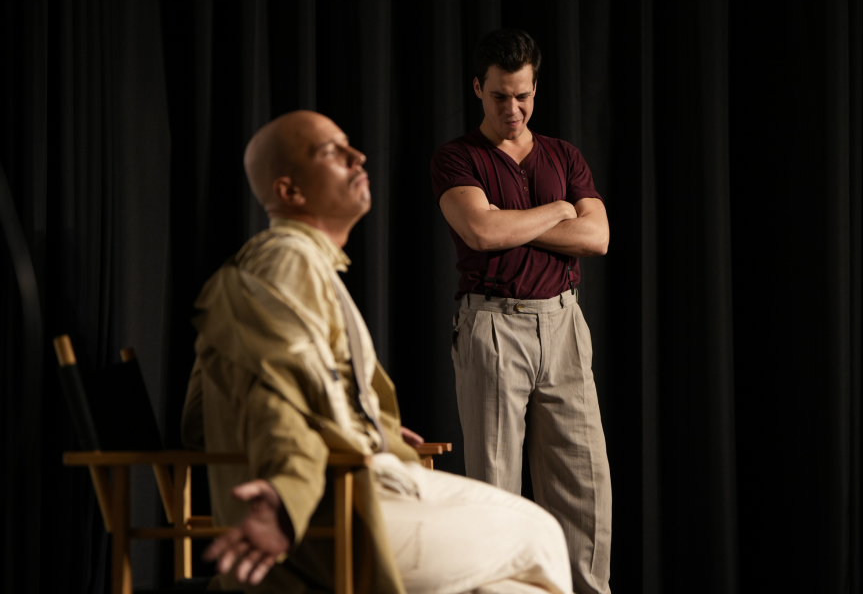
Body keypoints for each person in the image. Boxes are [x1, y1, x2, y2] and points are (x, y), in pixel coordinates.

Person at [182, 109, 575, 594]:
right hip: (331, 506)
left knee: (515, 589)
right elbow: (275, 394)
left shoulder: (297, 265)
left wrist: (366, 425)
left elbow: (202, 415)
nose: (358, 157)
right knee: (541, 534)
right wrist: (286, 497)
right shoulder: (286, 260)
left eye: (349, 144)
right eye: (332, 152)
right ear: (289, 192)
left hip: (362, 475)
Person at [430, 29, 612, 594]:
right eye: (500, 96)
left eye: (523, 96)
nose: (512, 109)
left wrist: (514, 222)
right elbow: (481, 232)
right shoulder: (457, 157)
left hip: (563, 323)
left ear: (536, 89)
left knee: (585, 486)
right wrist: (557, 210)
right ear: (478, 89)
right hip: (493, 325)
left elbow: (597, 237)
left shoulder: (564, 155)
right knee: (496, 490)